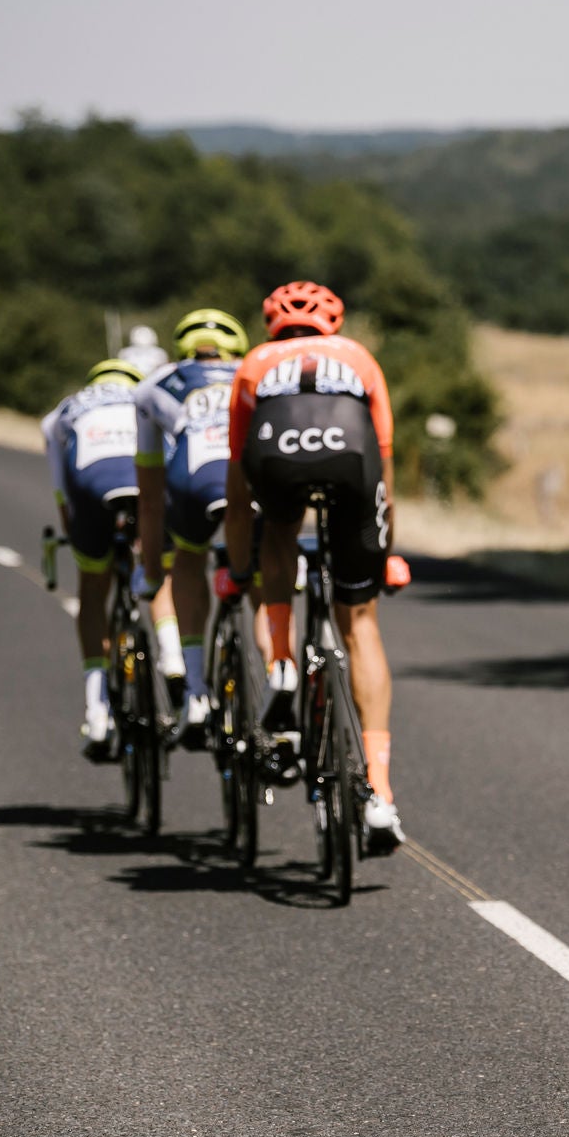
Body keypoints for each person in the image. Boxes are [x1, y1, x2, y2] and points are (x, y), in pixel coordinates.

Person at [221, 281, 410, 847]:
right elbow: (385, 468)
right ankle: (378, 793)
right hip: (354, 462)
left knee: (278, 533)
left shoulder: (254, 362)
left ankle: (281, 658)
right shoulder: (359, 358)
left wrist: (239, 566)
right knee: (360, 622)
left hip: (276, 457)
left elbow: (237, 479)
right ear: (334, 321)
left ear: (272, 323)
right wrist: (387, 552)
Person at [133, 309, 249, 746]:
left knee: (188, 554)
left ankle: (196, 688)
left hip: (190, 480)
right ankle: (280, 668)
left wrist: (148, 570)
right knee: (261, 559)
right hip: (245, 476)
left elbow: (148, 496)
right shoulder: (252, 371)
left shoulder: (157, 384)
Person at [41, 358, 145, 756]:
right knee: (161, 564)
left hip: (91, 484)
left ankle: (97, 709)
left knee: (92, 584)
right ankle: (174, 668)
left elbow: (59, 478)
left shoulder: (68, 407)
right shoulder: (145, 395)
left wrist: (71, 521)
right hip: (142, 482)